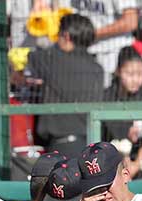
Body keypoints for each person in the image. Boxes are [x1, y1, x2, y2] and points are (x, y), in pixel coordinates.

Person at [23, 14, 103, 156]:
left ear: (66, 36)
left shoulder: (51, 59)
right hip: (90, 146)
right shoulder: (97, 68)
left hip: (61, 148)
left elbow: (25, 57)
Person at [102, 46, 142, 143]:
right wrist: (127, 131)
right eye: (130, 74)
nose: (135, 80)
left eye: (140, 74)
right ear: (118, 71)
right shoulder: (108, 96)